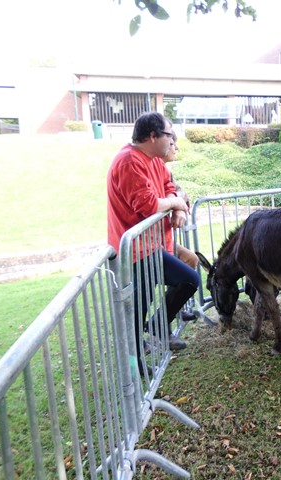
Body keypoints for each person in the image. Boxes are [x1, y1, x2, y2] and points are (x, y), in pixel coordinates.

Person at [107, 112, 199, 357]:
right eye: (168, 135)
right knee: (184, 281)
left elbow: (170, 188)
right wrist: (175, 204)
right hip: (135, 250)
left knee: (150, 297)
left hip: (152, 245)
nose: (172, 141)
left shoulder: (155, 161)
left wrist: (177, 207)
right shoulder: (129, 161)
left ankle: (152, 333)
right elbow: (148, 205)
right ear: (152, 136)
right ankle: (138, 357)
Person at [162, 131, 198, 321]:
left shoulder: (165, 171)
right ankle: (160, 324)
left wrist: (180, 209)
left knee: (191, 260)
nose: (176, 148)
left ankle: (172, 310)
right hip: (148, 245)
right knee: (188, 274)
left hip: (163, 241)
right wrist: (176, 204)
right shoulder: (153, 166)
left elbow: (181, 193)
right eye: (173, 143)